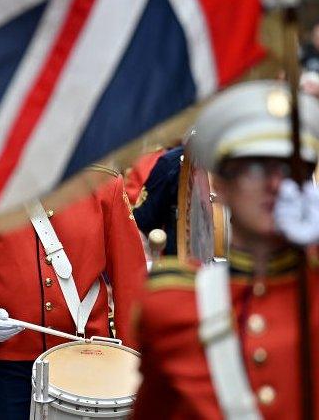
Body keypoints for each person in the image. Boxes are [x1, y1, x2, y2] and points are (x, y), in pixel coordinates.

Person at [133, 81, 319, 419]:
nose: (276, 184)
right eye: (256, 167)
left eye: (292, 170)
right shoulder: (173, 302)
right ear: (220, 184)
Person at [0, 165, 147, 419]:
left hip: (88, 355)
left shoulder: (104, 183)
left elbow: (130, 282)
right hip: (10, 361)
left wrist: (134, 361)